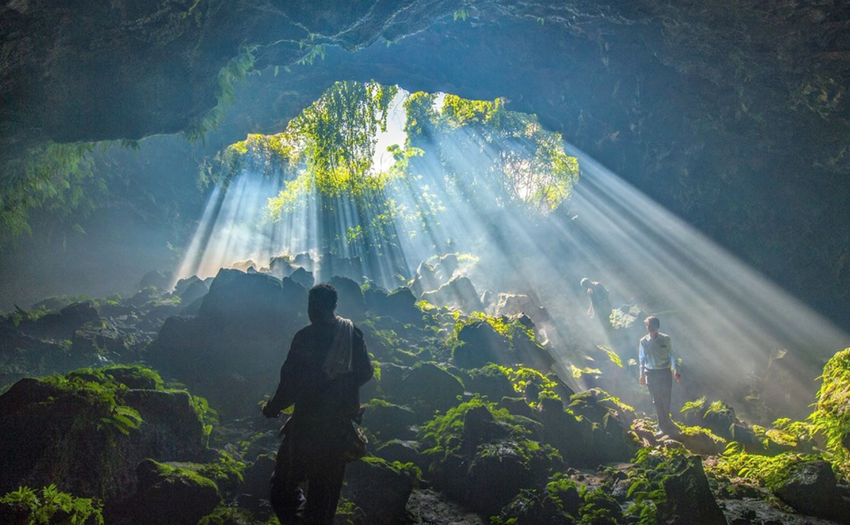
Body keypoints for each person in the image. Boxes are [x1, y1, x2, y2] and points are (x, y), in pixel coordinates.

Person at [262, 283, 373, 524]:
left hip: (306, 426)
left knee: (283, 486)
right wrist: (343, 388)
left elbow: (290, 384)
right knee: (324, 499)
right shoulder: (352, 334)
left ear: (315, 307)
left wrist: (273, 408)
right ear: (334, 305)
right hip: (339, 429)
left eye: (312, 305)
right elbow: (366, 372)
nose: (310, 311)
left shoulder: (306, 337)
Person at [638, 315, 680, 437]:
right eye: (648, 325)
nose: (650, 328)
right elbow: (641, 359)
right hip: (650, 373)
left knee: (666, 398)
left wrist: (676, 370)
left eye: (652, 326)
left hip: (664, 372)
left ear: (657, 327)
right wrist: (641, 374)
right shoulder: (643, 341)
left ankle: (667, 421)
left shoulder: (665, 339)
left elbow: (673, 355)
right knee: (656, 400)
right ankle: (662, 426)